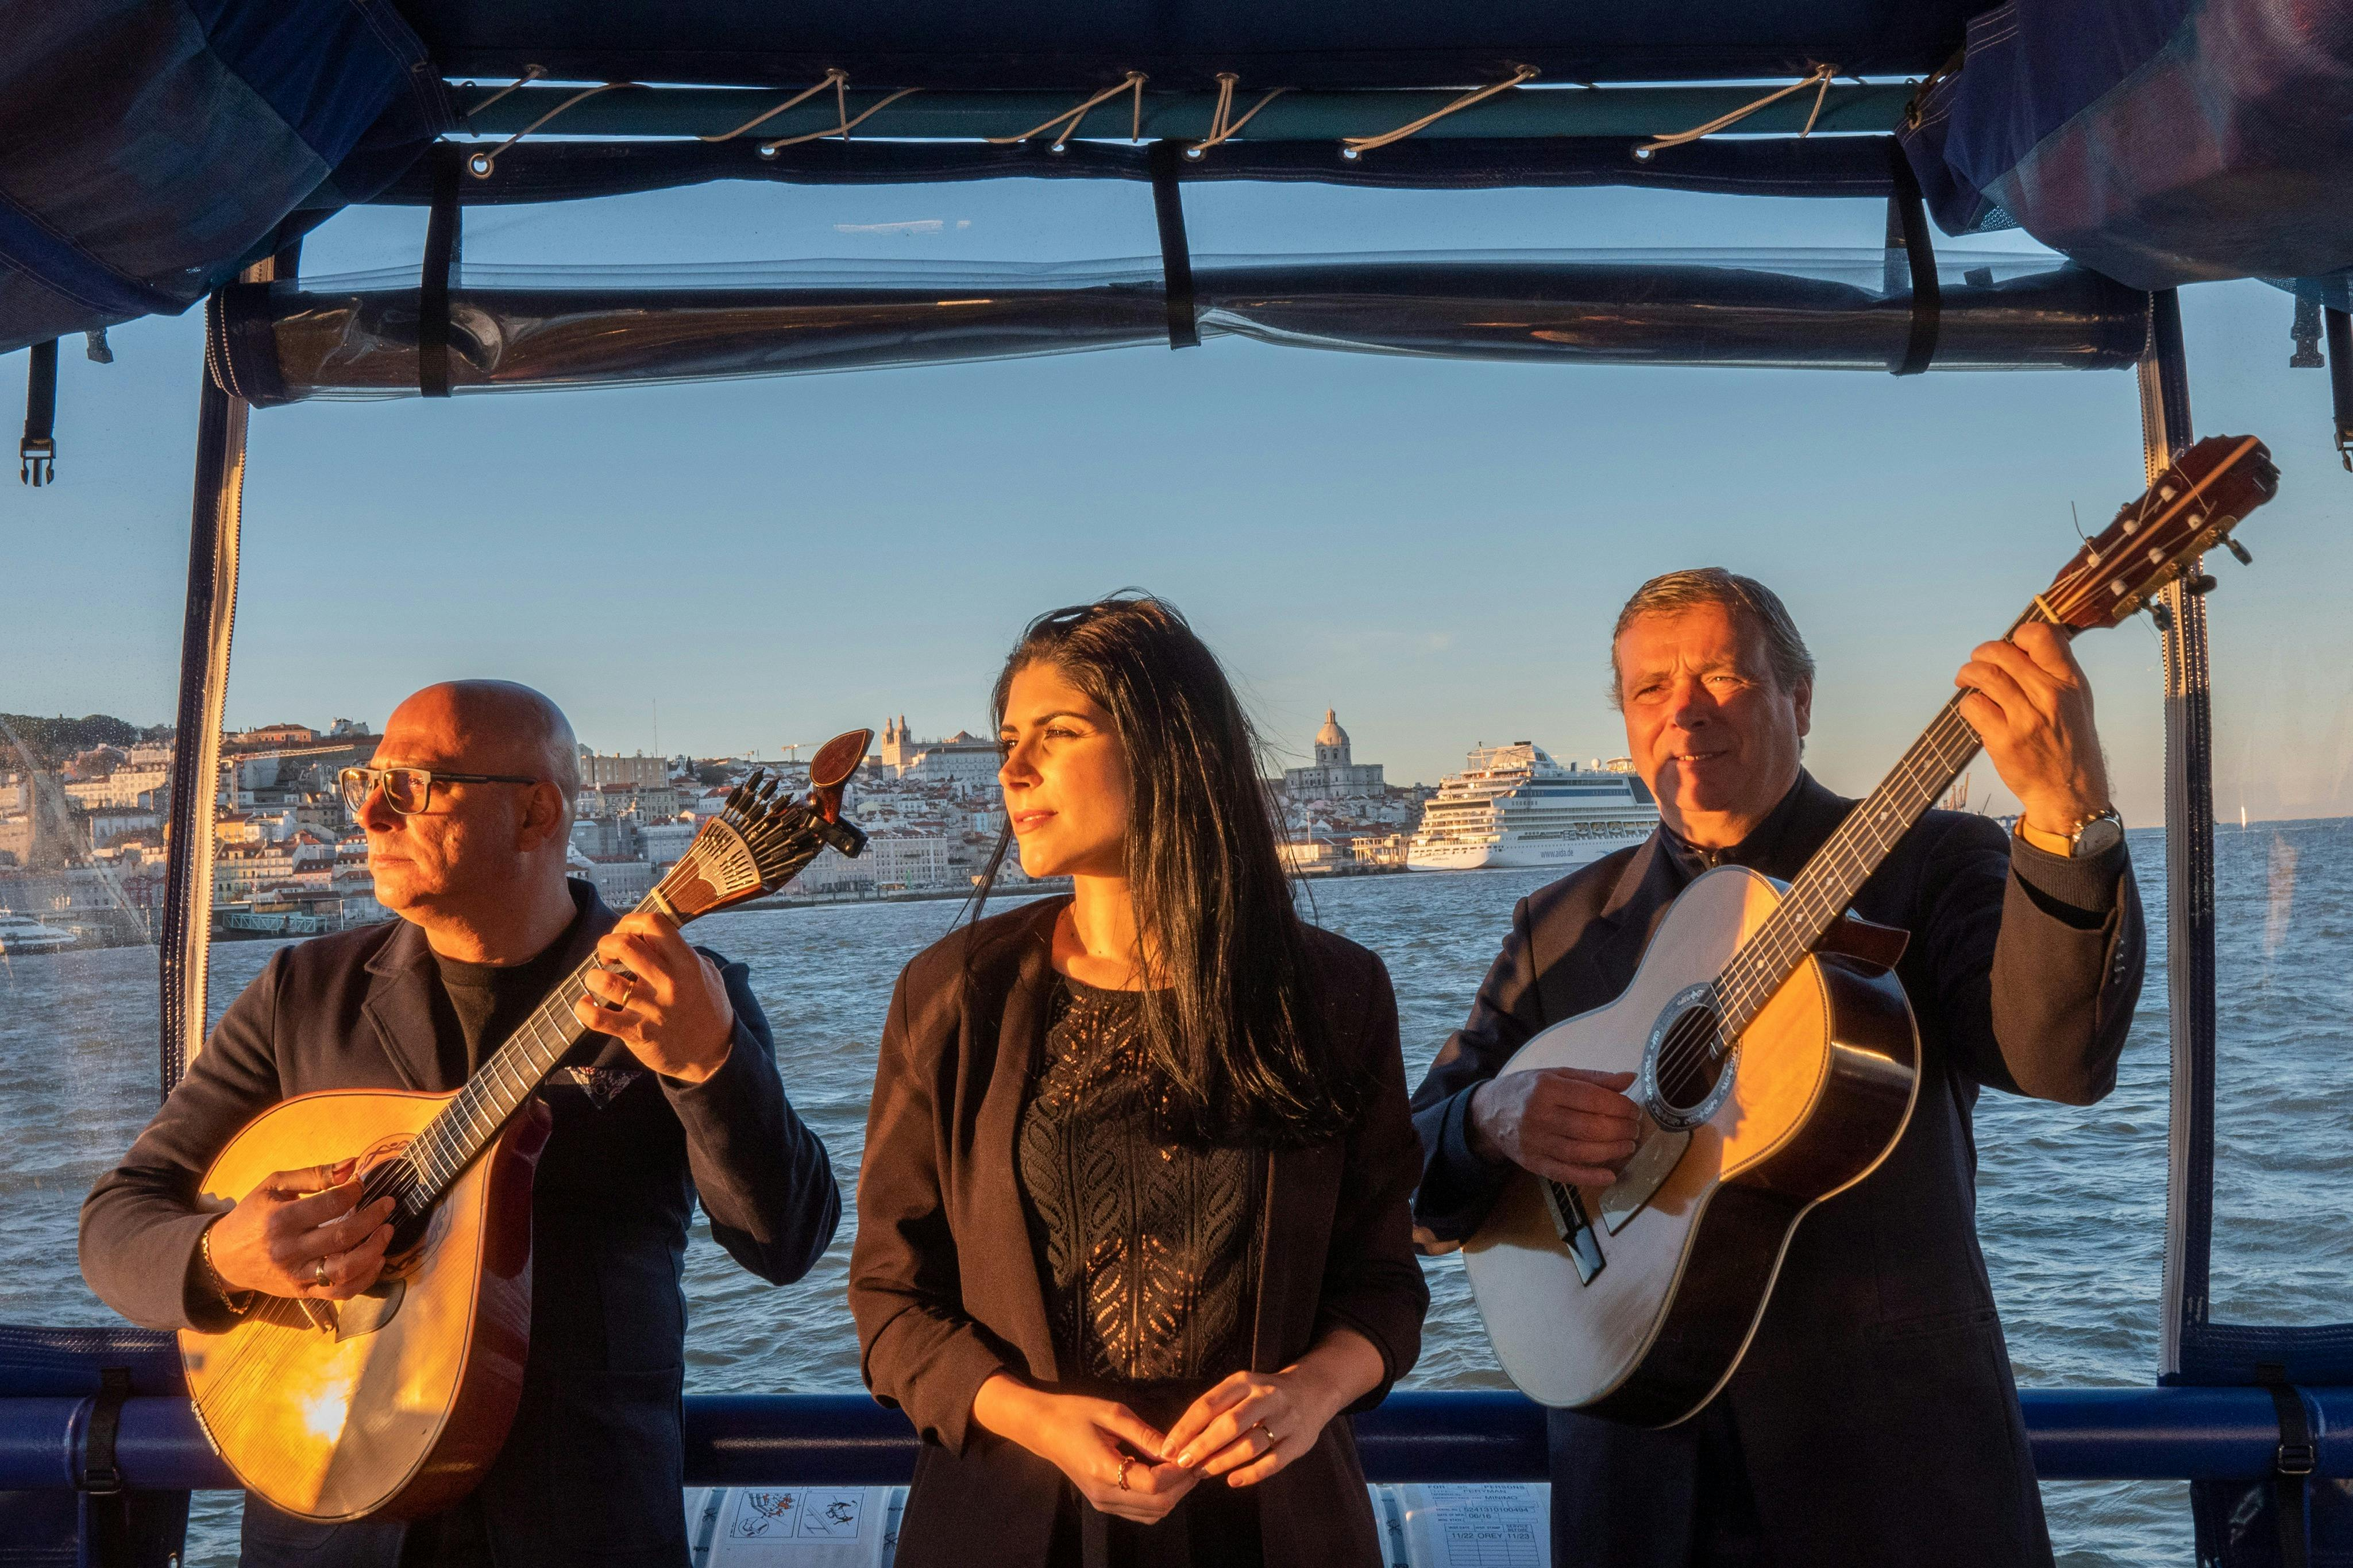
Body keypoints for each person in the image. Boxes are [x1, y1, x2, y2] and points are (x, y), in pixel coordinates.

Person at [1411, 569, 2146, 1567]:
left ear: (1800, 699)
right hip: (1637, 1497)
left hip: (1898, 1488)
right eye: (1649, 691)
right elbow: (1403, 1187)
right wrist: (1492, 1116)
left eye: (1723, 677)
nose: (1685, 714)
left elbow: (2060, 1060)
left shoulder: (1934, 859)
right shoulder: (1562, 927)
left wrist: (2069, 815)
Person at [80, 681, 841, 1568]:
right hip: (326, 1528)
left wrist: (712, 1062)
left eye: (410, 785)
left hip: (582, 1530)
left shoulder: (684, 994)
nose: (367, 811)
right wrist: (224, 1256)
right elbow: (117, 1220)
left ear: (533, 812)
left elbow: (786, 1242)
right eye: (368, 782)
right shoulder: (301, 994)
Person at [850, 596, 1429, 1568]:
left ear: (1169, 748)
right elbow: (890, 1301)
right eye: (1008, 741)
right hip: (1013, 1522)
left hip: (1269, 1525)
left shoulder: (1334, 992)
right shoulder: (950, 996)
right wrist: (1037, 1419)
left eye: (1056, 733)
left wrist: (1311, 1390)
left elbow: (1383, 1285)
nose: (1013, 770)